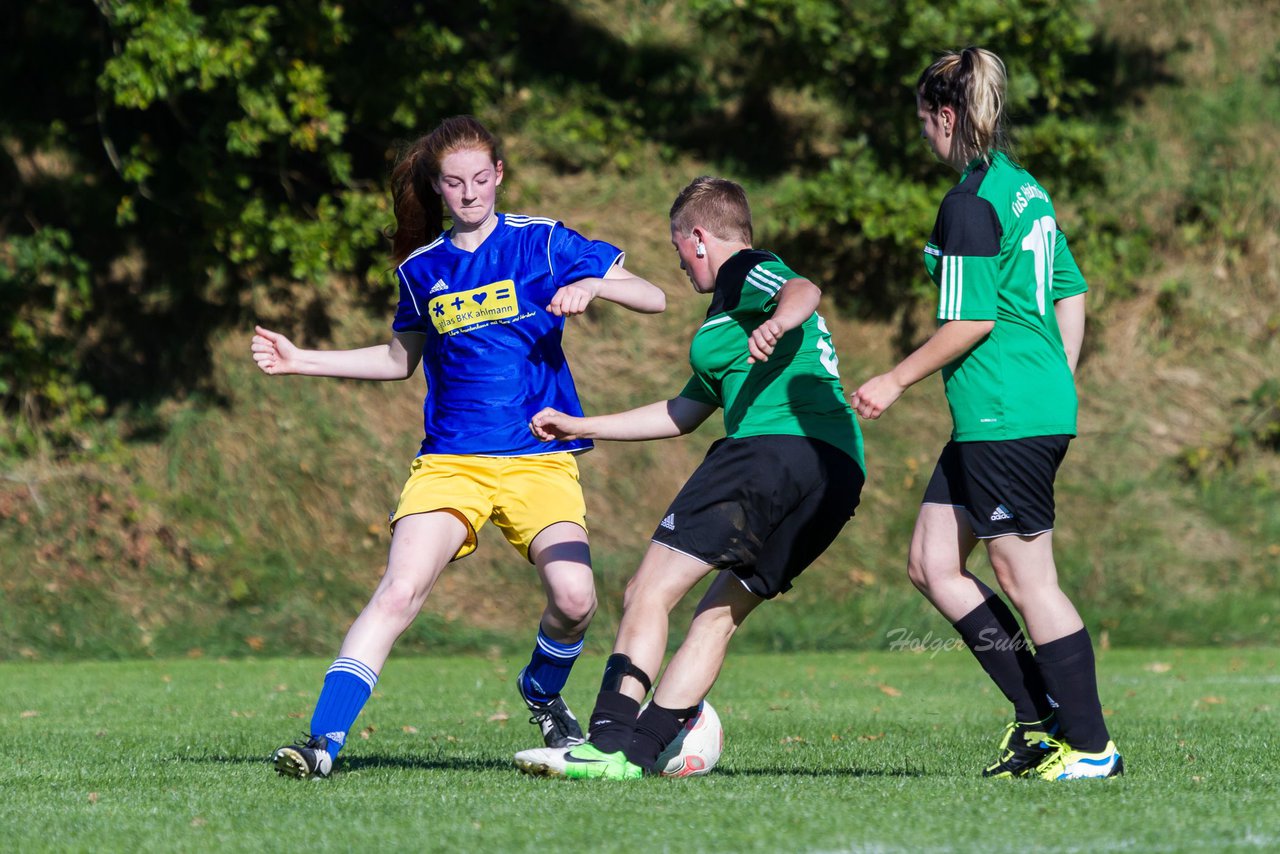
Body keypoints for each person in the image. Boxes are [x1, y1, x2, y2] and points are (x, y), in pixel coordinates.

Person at [254, 115, 666, 779]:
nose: (470, 192)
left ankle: (541, 692)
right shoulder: (422, 270)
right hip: (451, 464)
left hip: (538, 457)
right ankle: (322, 742)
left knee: (575, 600)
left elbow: (657, 295)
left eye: (481, 178)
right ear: (438, 188)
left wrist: (598, 284)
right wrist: (302, 359)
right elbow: (397, 362)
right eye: (455, 183)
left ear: (499, 174)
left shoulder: (543, 243)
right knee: (398, 591)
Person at [511, 176, 866, 779]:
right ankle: (640, 754)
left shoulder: (745, 270)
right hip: (837, 471)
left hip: (771, 450)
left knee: (648, 592)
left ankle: (605, 742)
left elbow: (804, 289)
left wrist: (779, 321)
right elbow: (682, 414)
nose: (679, 264)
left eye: (678, 248)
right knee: (718, 614)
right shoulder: (724, 324)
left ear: (698, 236)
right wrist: (580, 424)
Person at [851, 48, 1121, 780]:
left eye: (924, 123)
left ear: (945, 116)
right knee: (933, 563)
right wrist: (1058, 374)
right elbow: (1070, 289)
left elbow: (967, 322)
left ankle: (1092, 749)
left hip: (1007, 414)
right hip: (1008, 409)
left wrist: (895, 379)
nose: (924, 137)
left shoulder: (969, 202)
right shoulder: (1023, 189)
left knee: (1027, 577)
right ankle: (1038, 720)